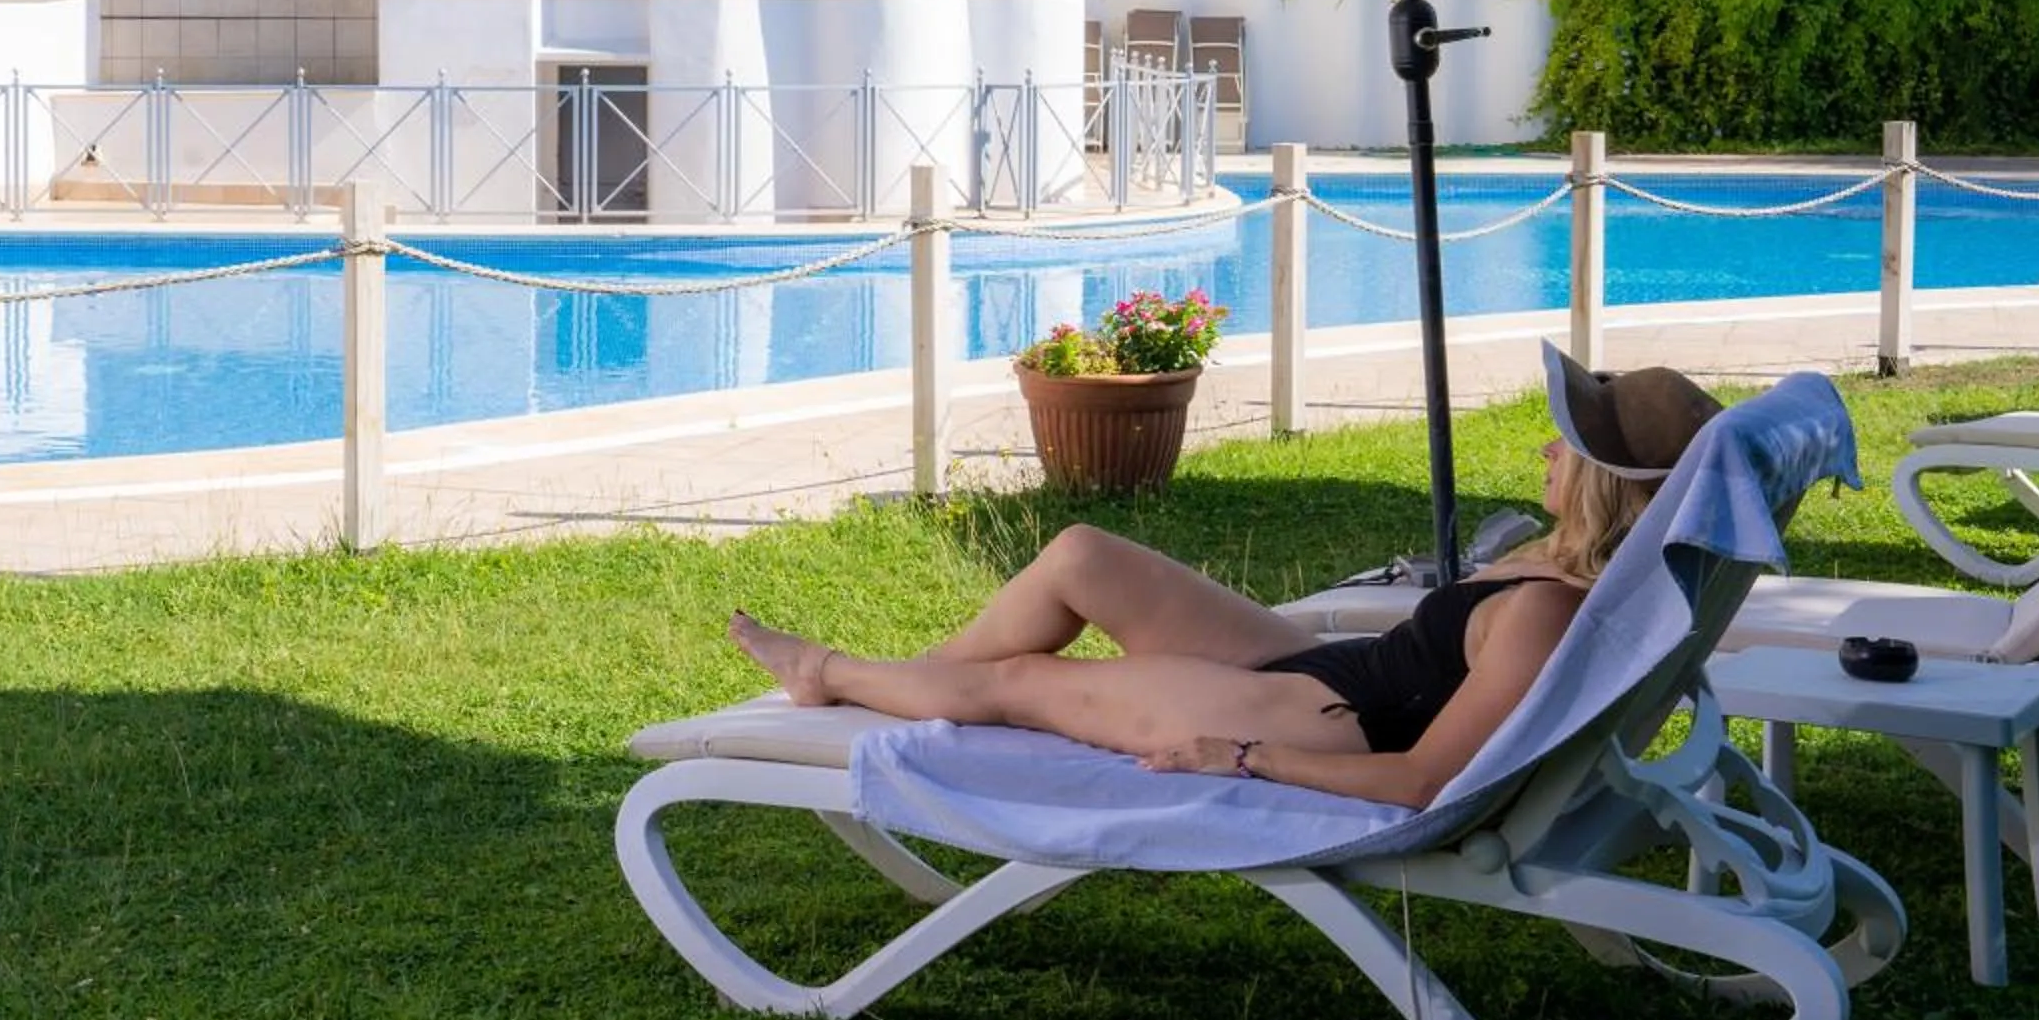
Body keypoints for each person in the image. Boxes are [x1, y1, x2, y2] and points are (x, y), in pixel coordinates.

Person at [728, 348, 1724, 810]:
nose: (1549, 443)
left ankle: (832, 674)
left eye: (1571, 439)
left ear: (1606, 481)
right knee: (1080, 552)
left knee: (1018, 683)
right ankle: (912, 687)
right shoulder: (1565, 563)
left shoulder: (1546, 615)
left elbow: (1424, 781)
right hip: (1330, 666)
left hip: (1313, 719)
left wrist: (1244, 756)